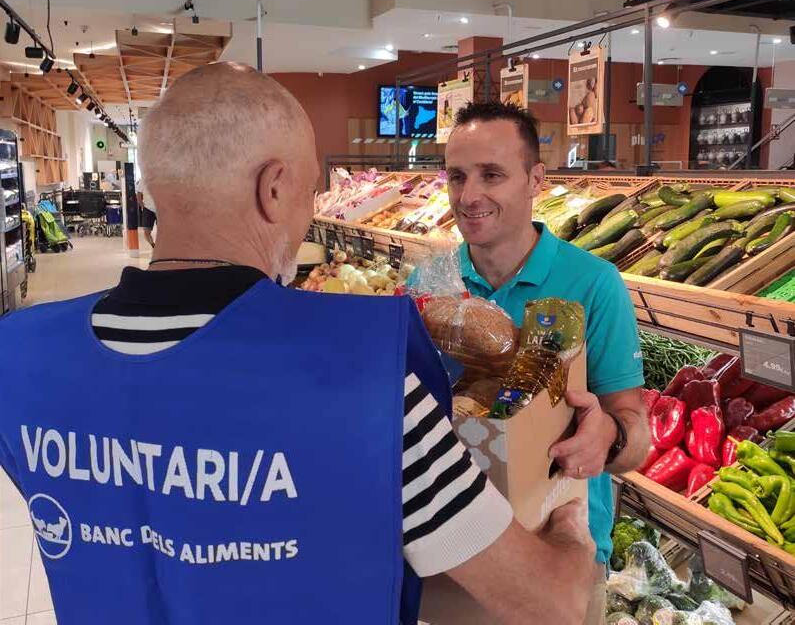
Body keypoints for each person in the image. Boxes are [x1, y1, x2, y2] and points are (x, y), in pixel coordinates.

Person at [0, 64, 593, 625]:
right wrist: (570, 521)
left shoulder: (20, 357)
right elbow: (548, 603)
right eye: (310, 191)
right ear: (275, 189)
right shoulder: (366, 373)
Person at [424, 100, 650, 625]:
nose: (469, 195)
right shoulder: (429, 287)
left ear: (536, 180)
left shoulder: (593, 284)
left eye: (492, 175)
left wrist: (608, 437)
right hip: (451, 553)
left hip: (560, 558)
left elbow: (635, 435)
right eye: (457, 176)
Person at [135, 175, 157, 248]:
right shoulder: (143, 180)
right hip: (148, 209)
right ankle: (153, 245)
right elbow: (138, 194)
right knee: (147, 232)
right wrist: (142, 205)